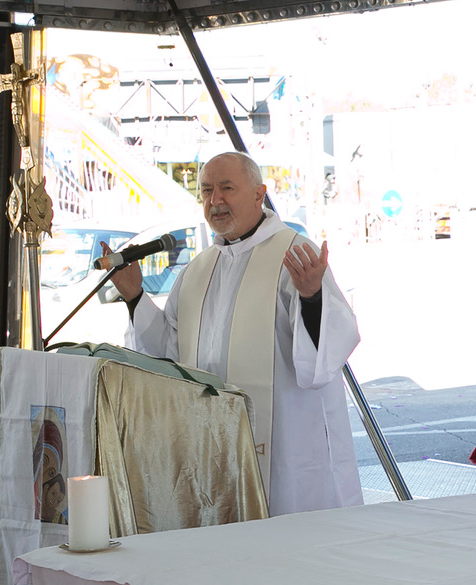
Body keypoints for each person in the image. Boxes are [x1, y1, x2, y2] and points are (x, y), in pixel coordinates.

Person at [105, 151, 363, 514]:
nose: (215, 200)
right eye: (206, 191)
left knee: (291, 533)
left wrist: (312, 297)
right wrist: (135, 297)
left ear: (259, 194)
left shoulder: (294, 253)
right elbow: (168, 357)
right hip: (214, 443)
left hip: (287, 447)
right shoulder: (198, 269)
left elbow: (328, 353)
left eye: (227, 188)